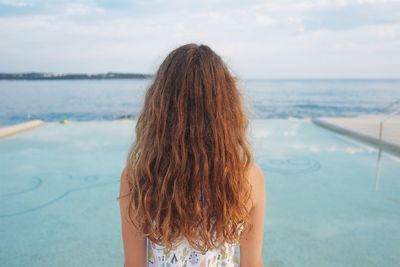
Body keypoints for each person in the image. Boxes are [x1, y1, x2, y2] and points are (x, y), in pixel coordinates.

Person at [119, 43, 266, 267]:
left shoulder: (138, 180)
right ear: (227, 111)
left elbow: (133, 265)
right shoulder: (248, 178)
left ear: (159, 109)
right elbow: (252, 263)